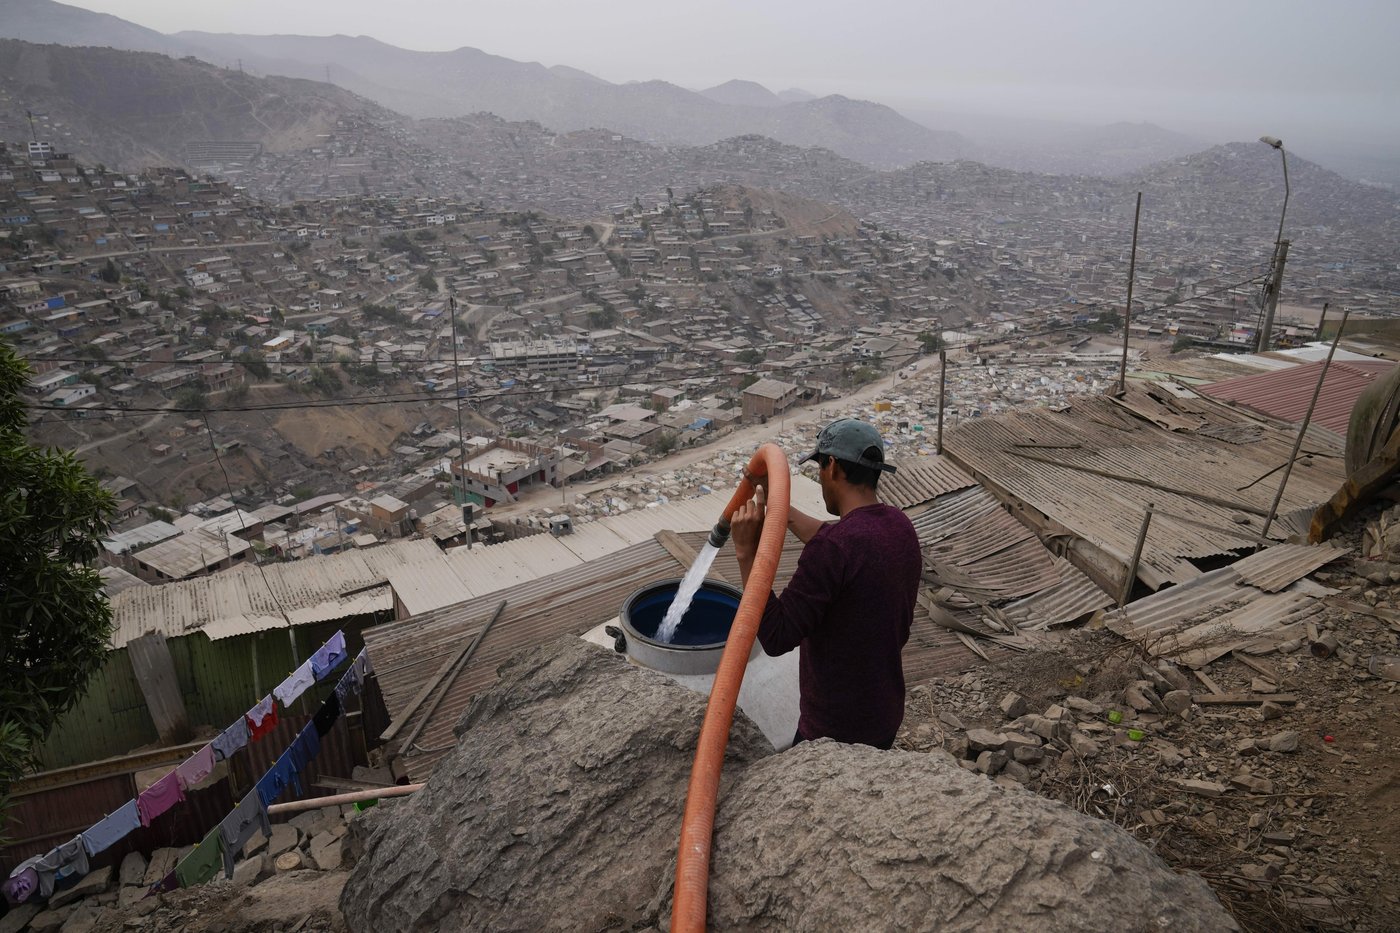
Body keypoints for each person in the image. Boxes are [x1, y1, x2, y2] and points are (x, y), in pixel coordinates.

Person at [730, 417, 922, 750]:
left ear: (832, 466)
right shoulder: (897, 525)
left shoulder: (833, 550)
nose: (820, 477)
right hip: (883, 713)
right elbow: (836, 541)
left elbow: (775, 637)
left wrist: (747, 552)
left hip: (835, 732)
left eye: (819, 468)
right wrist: (778, 507)